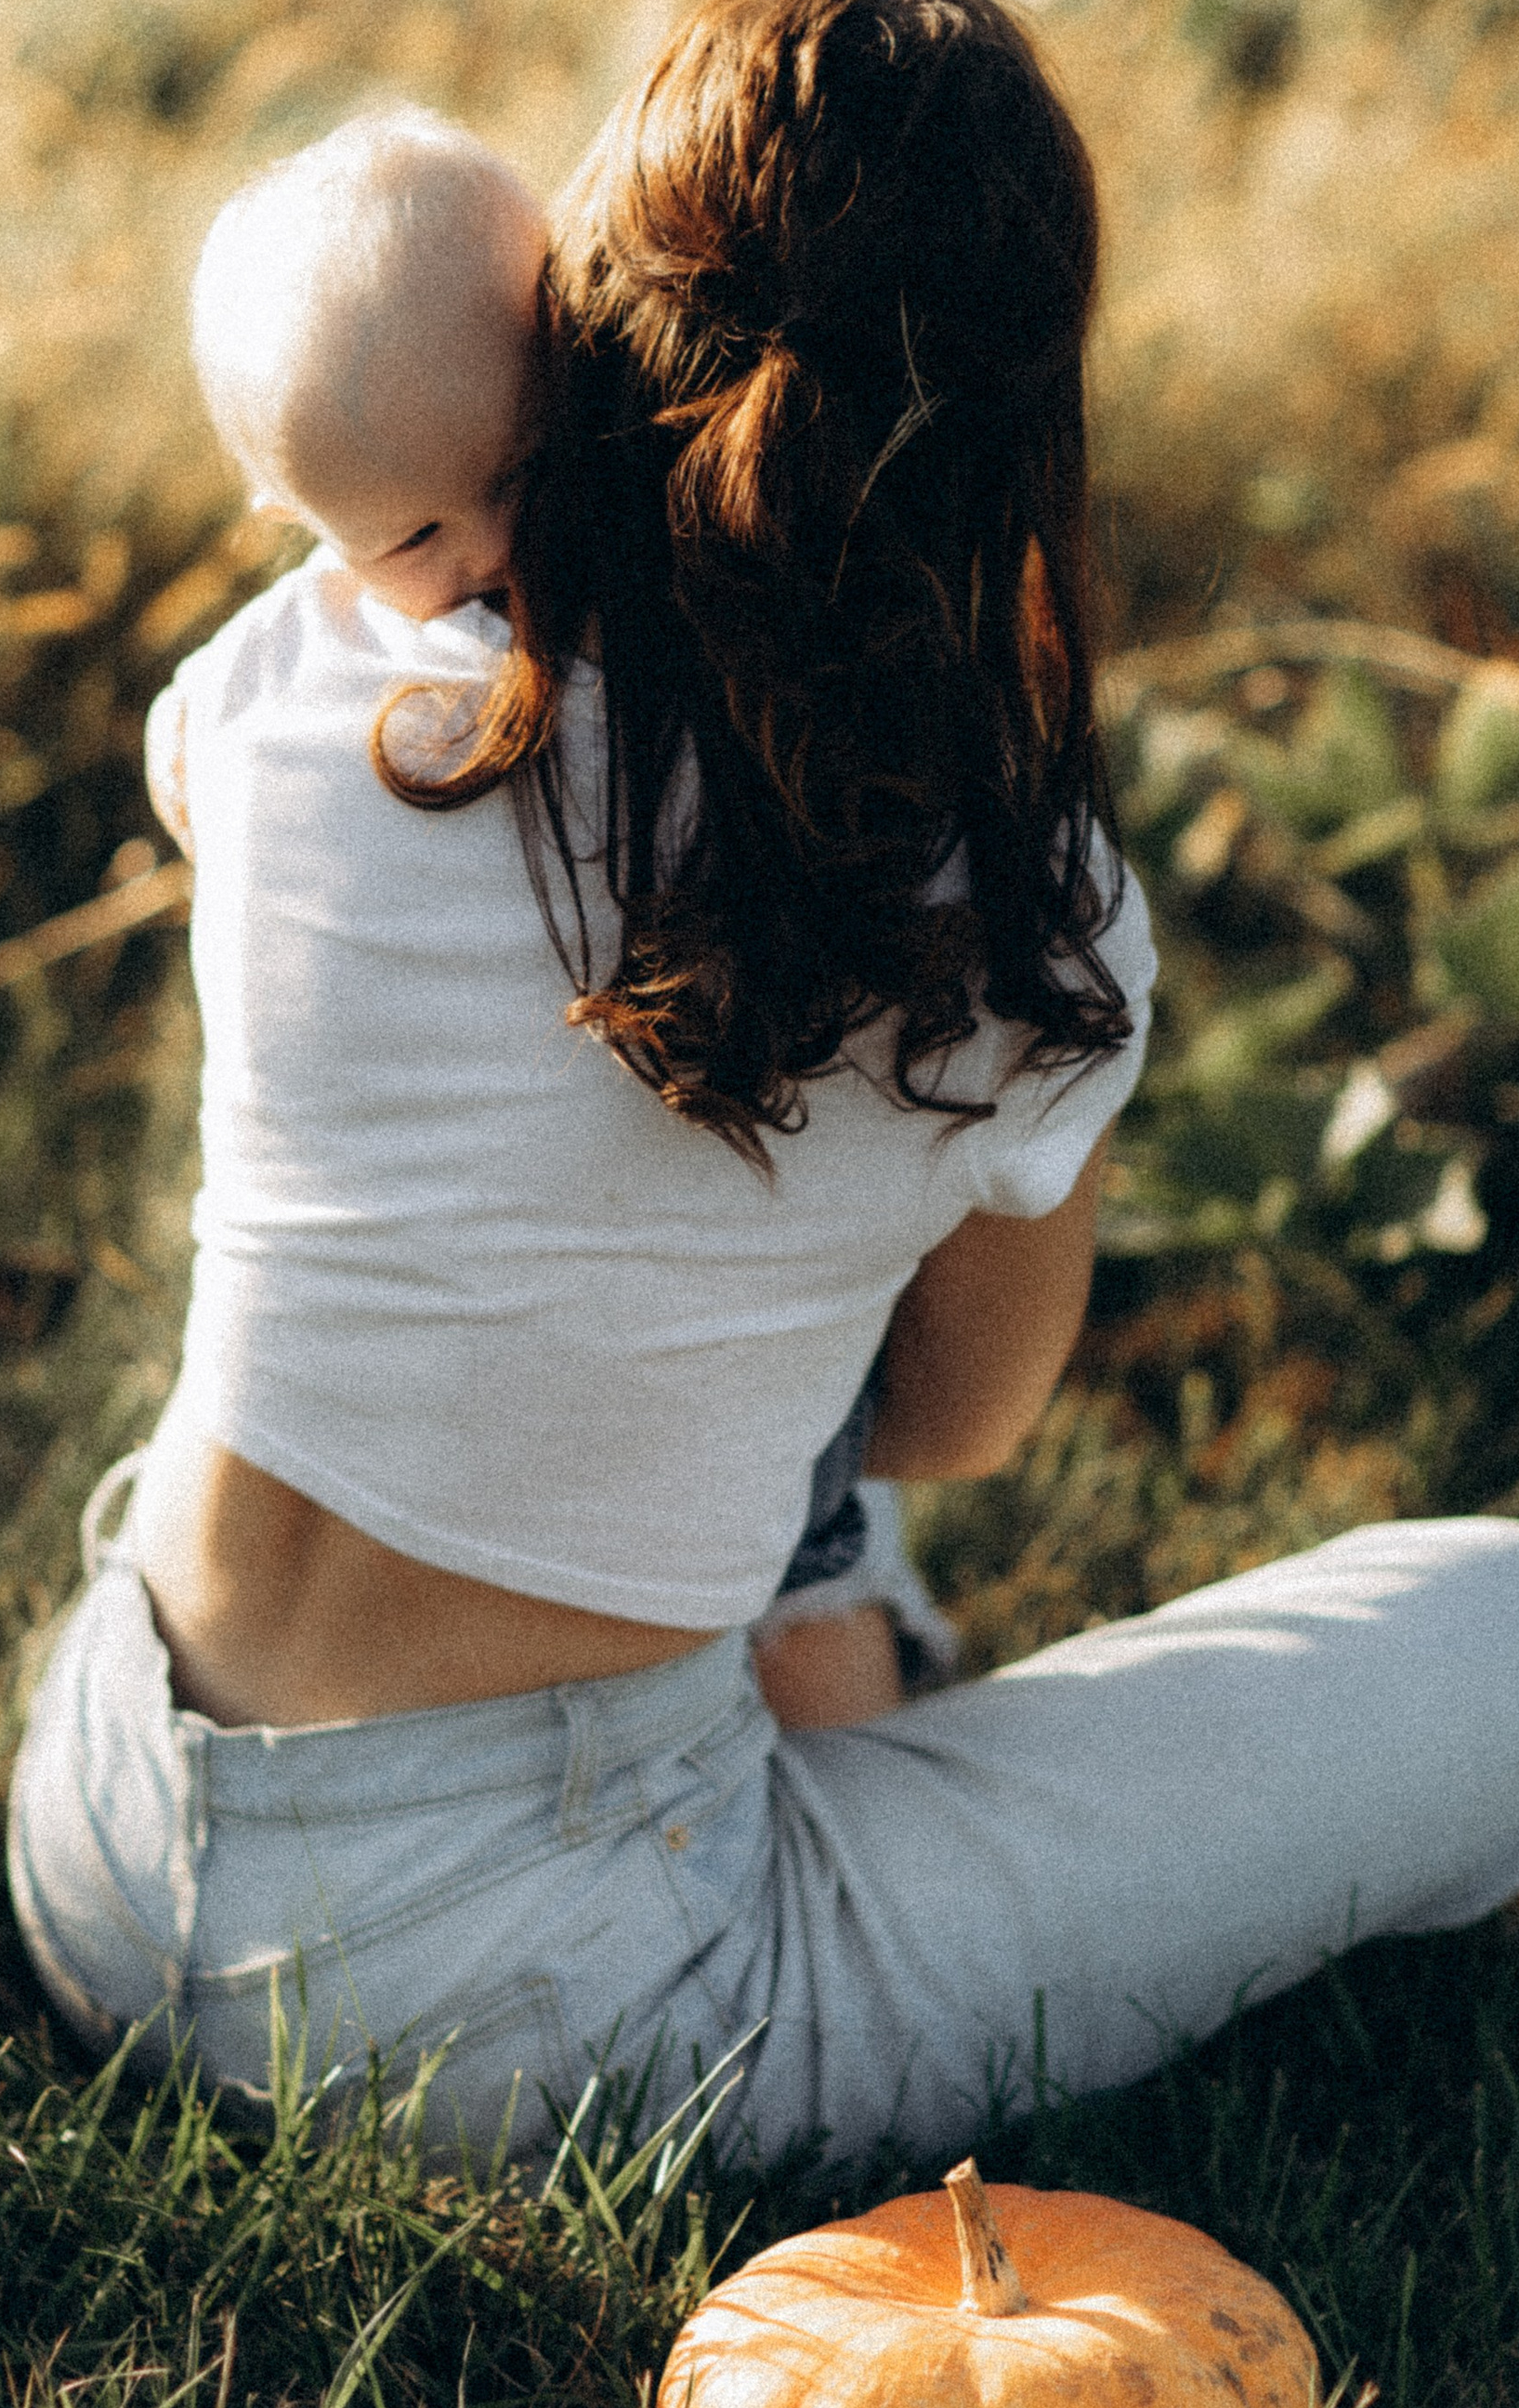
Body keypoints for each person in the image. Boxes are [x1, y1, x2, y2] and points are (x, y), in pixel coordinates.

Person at [7, 0, 1519, 2176]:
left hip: (107, 1829)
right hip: (528, 2009)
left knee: (686, 1388)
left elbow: (230, 789)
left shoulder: (300, 673)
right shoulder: (1004, 904)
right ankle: (794, 1738)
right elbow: (954, 1423)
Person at [163, 100, 957, 1721]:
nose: (496, 556)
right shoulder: (329, 659)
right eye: (413, 538)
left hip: (673, 1281)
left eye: (526, 476)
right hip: (593, 1363)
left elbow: (185, 746)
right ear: (308, 537)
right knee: (815, 1560)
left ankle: (860, 1718)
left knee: (823, 1611)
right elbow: (184, 741)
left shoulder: (324, 669)